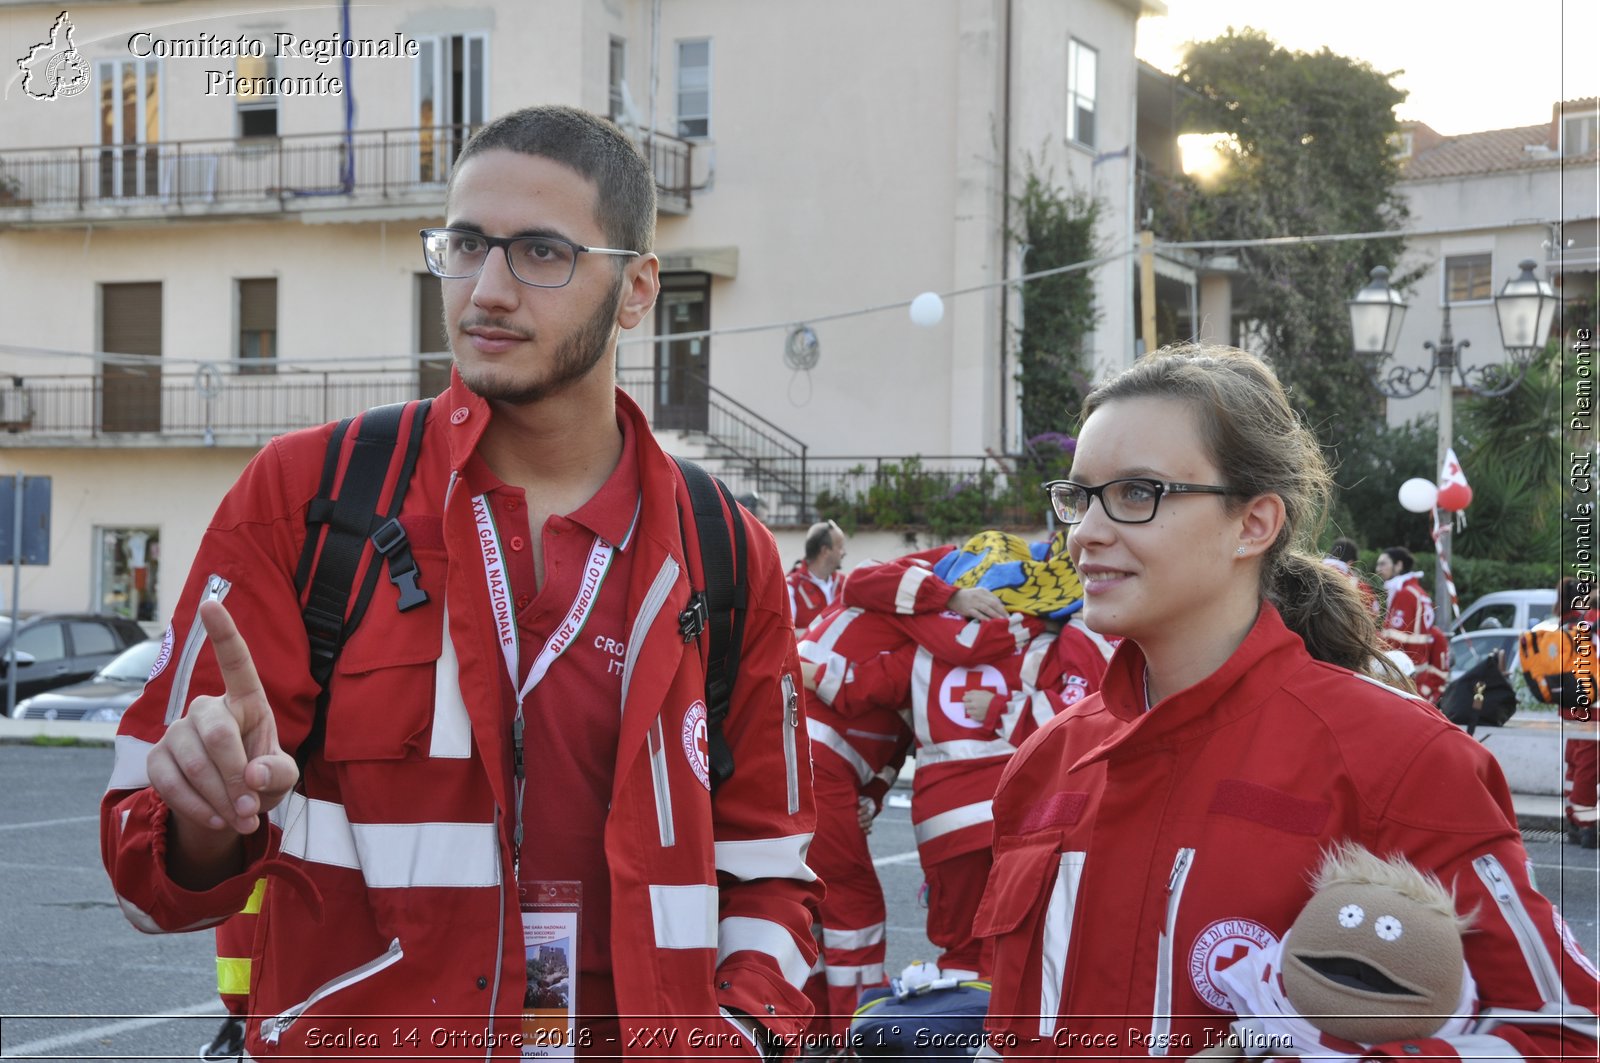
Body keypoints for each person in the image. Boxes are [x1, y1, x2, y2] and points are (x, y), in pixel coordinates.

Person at [100, 105, 819, 1060]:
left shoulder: (726, 550)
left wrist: (741, 1036)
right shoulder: (310, 497)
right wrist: (201, 821)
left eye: (543, 254)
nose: (488, 289)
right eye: (468, 243)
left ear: (638, 289)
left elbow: (773, 867)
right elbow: (144, 867)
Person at [974, 346, 1599, 1060]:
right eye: (1078, 495)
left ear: (1255, 523)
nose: (1084, 532)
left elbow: (1567, 1032)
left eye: (1136, 492)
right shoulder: (1046, 761)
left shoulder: (1400, 760)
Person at [1376, 545, 1449, 702]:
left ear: (1399, 565)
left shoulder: (1405, 594)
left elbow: (1395, 641)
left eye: (1383, 564)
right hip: (1414, 674)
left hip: (1403, 676)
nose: (1378, 569)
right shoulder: (1415, 591)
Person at [788, 520, 847, 633]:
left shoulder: (846, 584)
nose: (843, 552)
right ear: (824, 551)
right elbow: (785, 639)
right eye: (840, 547)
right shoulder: (791, 588)